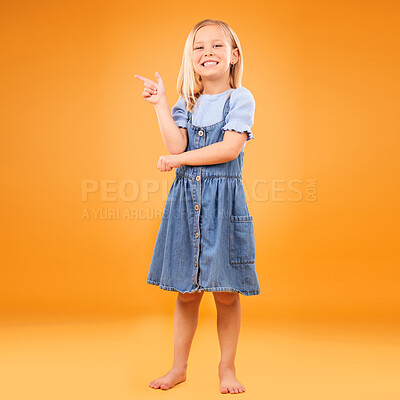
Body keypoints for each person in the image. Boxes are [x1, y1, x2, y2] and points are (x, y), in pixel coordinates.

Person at [134, 18, 261, 395]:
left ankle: (226, 368)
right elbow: (176, 145)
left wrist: (180, 162)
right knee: (187, 292)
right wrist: (159, 105)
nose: (208, 52)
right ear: (190, 59)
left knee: (225, 291)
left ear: (234, 56)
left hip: (223, 205)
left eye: (218, 45)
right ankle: (179, 367)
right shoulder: (186, 102)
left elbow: (228, 149)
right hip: (185, 204)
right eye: (199, 47)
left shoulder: (241, 98)